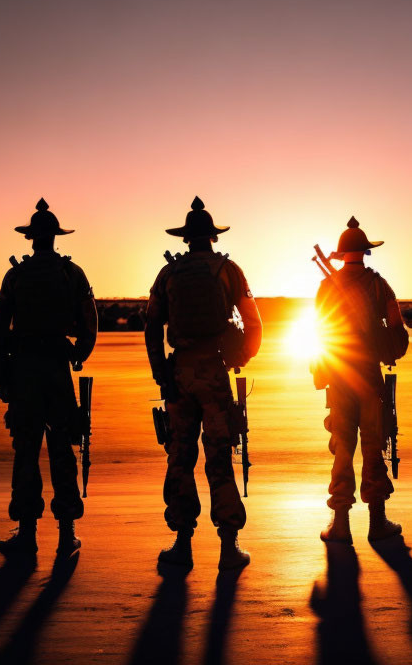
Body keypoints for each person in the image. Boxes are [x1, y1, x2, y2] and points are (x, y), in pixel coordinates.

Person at [145, 196, 262, 570]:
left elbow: (151, 327)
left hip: (179, 374)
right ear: (212, 237)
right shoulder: (229, 271)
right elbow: (255, 324)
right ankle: (229, 546)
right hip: (214, 373)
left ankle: (182, 543)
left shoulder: (169, 274)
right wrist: (239, 358)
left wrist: (161, 373)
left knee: (180, 455)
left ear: (186, 239)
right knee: (219, 456)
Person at [0, 198, 98, 558]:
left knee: (26, 451)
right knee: (62, 449)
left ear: (31, 238)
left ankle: (27, 531)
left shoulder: (16, 275)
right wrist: (76, 354)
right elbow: (89, 323)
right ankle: (67, 534)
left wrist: (1, 376)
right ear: (54, 237)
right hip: (55, 370)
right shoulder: (71, 273)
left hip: (24, 371)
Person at [314, 217, 409, 544]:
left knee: (342, 448)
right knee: (373, 444)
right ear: (365, 252)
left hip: (339, 376)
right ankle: (377, 522)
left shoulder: (327, 286)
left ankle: (340, 524)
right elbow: (397, 330)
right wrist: (389, 349)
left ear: (342, 255)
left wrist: (321, 371)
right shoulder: (379, 284)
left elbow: (320, 331)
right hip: (369, 377)